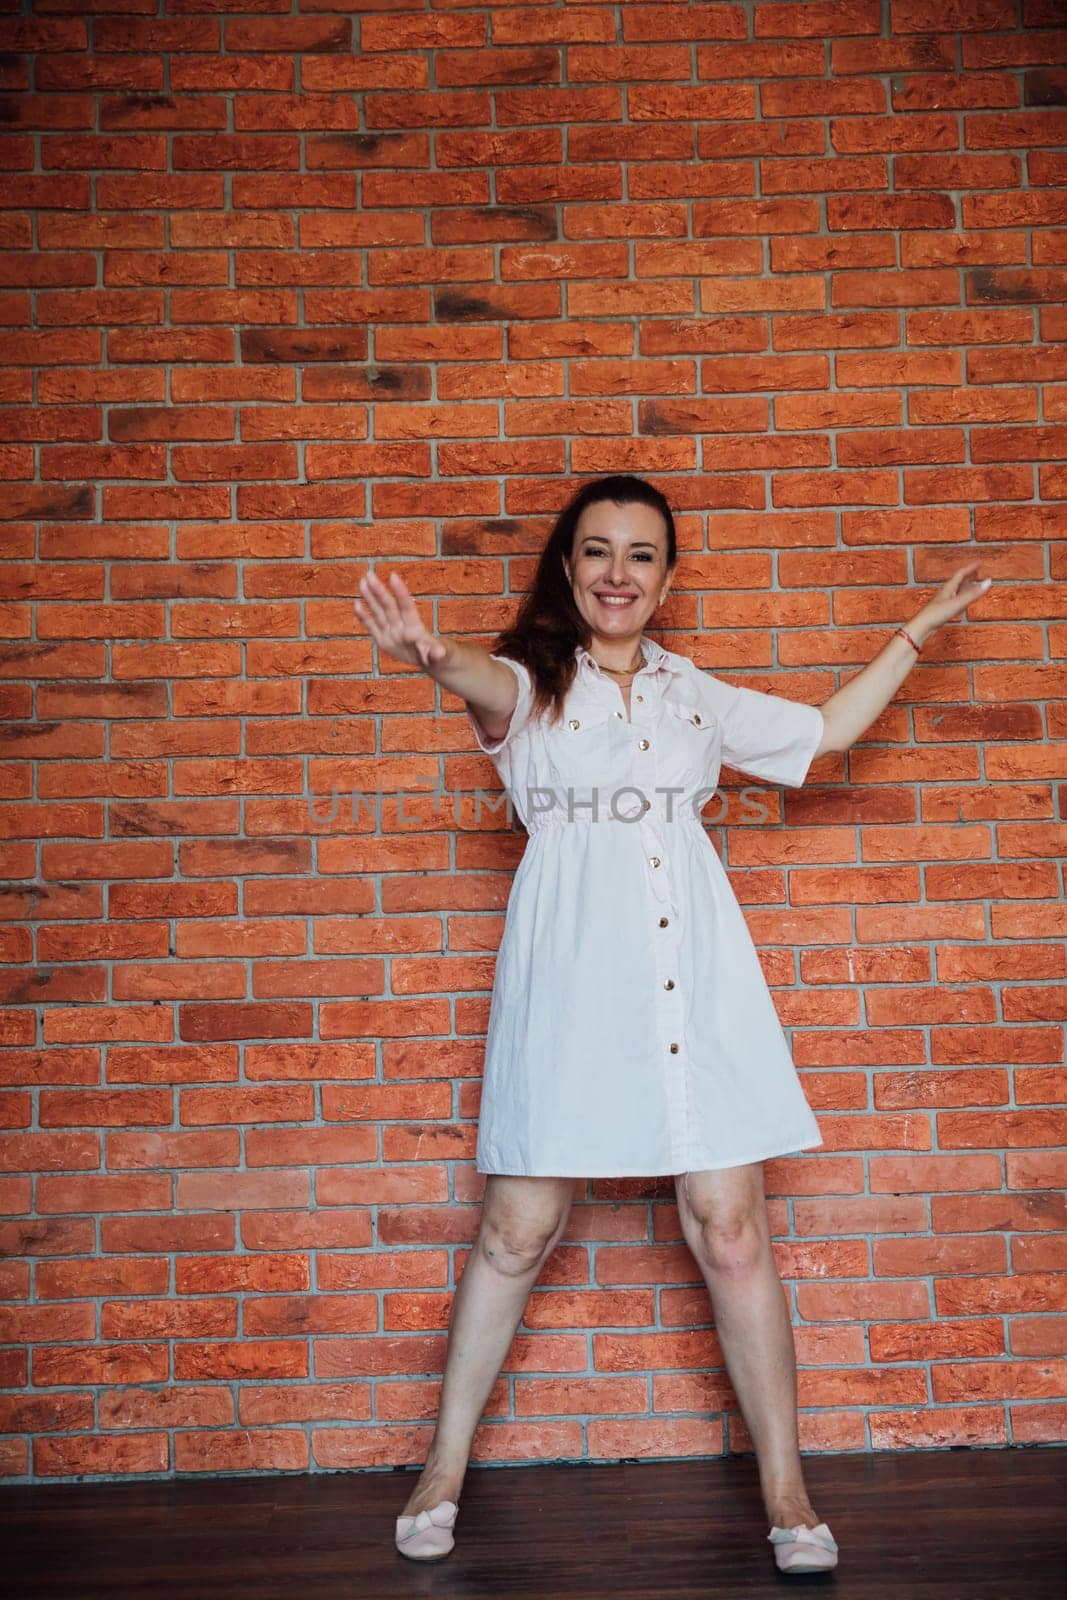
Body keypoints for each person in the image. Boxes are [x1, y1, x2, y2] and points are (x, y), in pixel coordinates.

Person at [355, 473, 992, 1576]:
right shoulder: (531, 690)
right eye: (596, 551)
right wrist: (425, 649)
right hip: (568, 987)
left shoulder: (693, 694)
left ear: (665, 576)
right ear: (567, 568)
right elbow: (476, 677)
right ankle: (441, 1467)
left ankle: (788, 1493)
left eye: (640, 554)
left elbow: (827, 730)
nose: (616, 573)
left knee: (729, 1224)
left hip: (689, 981)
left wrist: (911, 634)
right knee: (516, 1229)